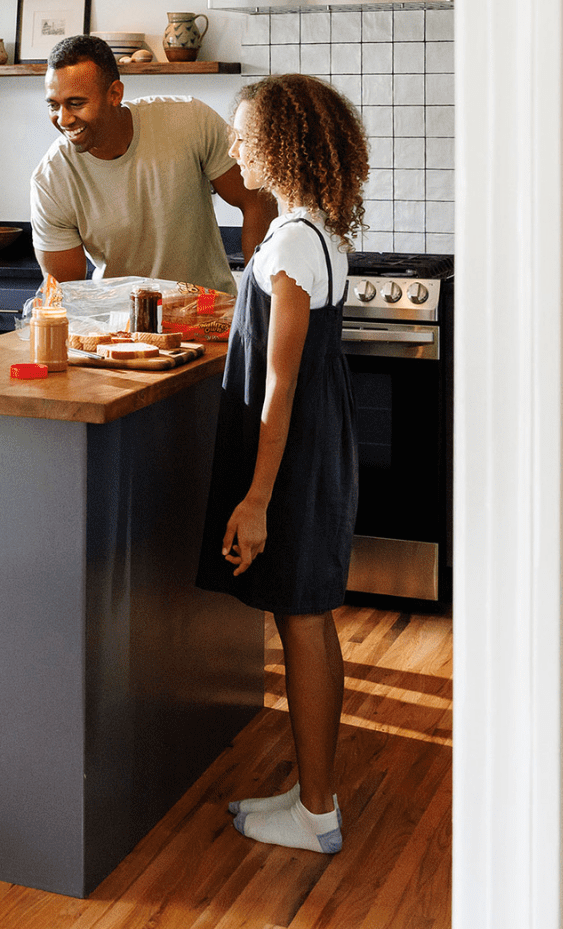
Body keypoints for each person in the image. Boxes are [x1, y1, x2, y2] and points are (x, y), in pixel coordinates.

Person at [199, 74, 368, 855]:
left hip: (293, 458)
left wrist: (258, 497)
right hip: (315, 444)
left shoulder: (296, 239)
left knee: (302, 621)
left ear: (280, 144)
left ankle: (316, 811)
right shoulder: (312, 228)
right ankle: (312, 796)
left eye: (244, 137)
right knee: (309, 619)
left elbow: (281, 381)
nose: (235, 150)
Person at [30, 34, 278, 291]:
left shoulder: (190, 120)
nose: (64, 119)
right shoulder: (51, 179)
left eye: (76, 103)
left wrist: (256, 297)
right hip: (124, 322)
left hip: (208, 309)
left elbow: (256, 199)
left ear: (115, 93)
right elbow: (65, 292)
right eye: (53, 106)